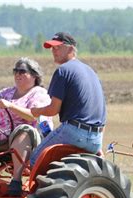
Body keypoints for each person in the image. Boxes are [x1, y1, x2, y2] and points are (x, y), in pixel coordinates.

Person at [0, 57, 53, 196]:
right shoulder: (5, 93)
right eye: (15, 71)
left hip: (25, 140)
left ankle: (16, 180)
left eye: (22, 71)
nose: (17, 74)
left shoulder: (39, 94)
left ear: (34, 75)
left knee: (23, 131)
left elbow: (32, 115)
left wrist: (11, 106)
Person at [30, 32, 106, 166]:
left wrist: (36, 111)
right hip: (96, 137)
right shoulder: (91, 71)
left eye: (57, 47)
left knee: (35, 160)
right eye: (52, 48)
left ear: (70, 49)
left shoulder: (63, 71)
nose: (54, 51)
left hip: (75, 133)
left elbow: (53, 109)